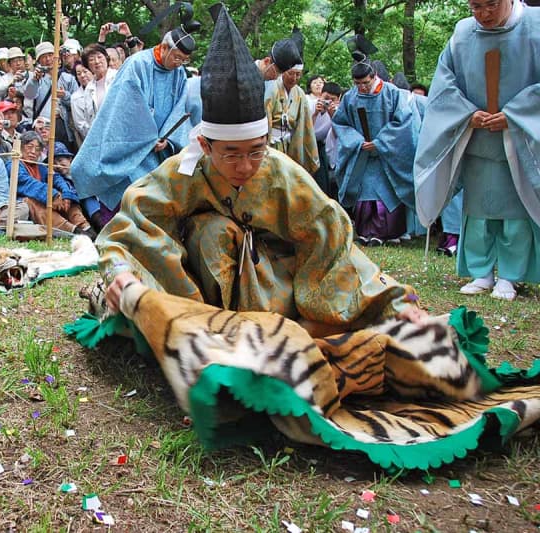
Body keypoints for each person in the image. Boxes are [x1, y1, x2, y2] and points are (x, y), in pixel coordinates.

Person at [100, 4, 426, 333]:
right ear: (206, 146)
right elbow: (132, 226)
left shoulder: (281, 172)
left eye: (256, 151)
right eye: (231, 154)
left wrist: (393, 300)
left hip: (272, 275)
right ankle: (202, 319)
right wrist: (123, 274)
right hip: (198, 278)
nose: (245, 166)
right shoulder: (185, 169)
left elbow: (332, 238)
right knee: (212, 233)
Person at [414, 0, 539, 301]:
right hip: (478, 137)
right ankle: (481, 272)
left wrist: (517, 115)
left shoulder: (536, 27)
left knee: (515, 214)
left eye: (491, 5)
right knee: (479, 210)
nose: (483, 14)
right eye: (475, 7)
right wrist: (466, 113)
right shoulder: (462, 34)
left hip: (522, 141)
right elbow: (443, 85)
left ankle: (510, 276)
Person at [70, 26, 195, 228]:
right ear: (164, 48)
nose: (179, 63)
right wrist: (147, 138)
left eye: (184, 59)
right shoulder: (136, 64)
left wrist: (168, 139)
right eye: (177, 57)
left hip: (159, 151)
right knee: (124, 198)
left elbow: (180, 108)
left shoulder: (179, 73)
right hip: (130, 146)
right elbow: (124, 109)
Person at [332, 54, 417, 246]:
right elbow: (341, 123)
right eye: (357, 83)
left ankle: (388, 233)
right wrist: (357, 141)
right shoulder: (350, 97)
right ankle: (365, 231)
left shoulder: (392, 93)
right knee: (365, 193)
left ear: (374, 76)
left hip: (388, 155)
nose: (361, 87)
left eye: (365, 82)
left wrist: (381, 142)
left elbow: (403, 122)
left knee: (385, 192)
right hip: (361, 153)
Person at [7, 131, 94, 238]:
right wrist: (52, 195)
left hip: (45, 199)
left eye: (38, 149)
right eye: (29, 147)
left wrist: (65, 193)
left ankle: (86, 228)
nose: (33, 151)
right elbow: (28, 183)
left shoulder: (41, 167)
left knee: (65, 197)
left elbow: (56, 178)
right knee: (31, 201)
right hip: (21, 204)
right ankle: (73, 232)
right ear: (21, 147)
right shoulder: (13, 164)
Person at [24, 41, 79, 151]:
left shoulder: (68, 78)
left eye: (50, 55)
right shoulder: (36, 78)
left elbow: (77, 102)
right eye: (44, 57)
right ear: (39, 60)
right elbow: (29, 96)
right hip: (43, 126)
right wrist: (34, 80)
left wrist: (65, 95)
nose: (48, 59)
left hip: (63, 125)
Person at [265, 62, 319, 173]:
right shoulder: (271, 88)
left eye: (298, 74)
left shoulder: (299, 93)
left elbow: (305, 123)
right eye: (291, 73)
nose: (294, 78)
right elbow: (265, 117)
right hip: (272, 143)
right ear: (283, 72)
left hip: (291, 144)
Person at [311, 81, 341, 198]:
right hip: (309, 146)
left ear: (338, 99)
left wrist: (333, 115)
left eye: (332, 99)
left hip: (322, 149)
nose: (328, 102)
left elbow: (339, 133)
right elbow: (304, 130)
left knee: (324, 184)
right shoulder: (310, 104)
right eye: (326, 98)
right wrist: (315, 114)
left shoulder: (338, 111)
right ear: (320, 95)